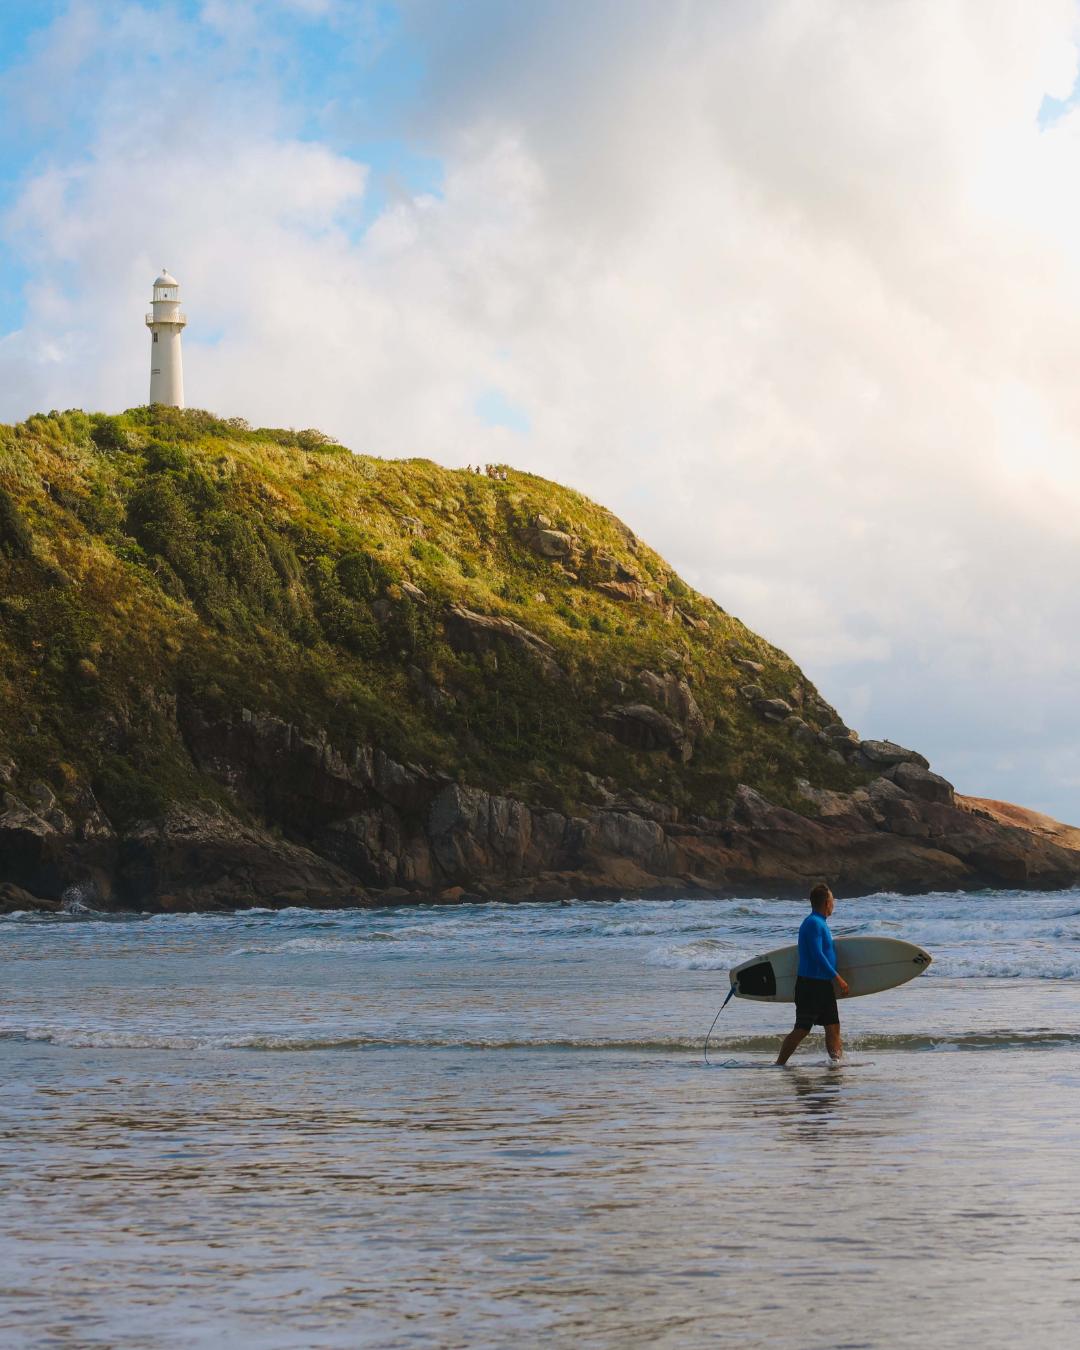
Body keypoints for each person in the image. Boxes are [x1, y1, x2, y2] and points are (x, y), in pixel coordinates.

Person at [775, 882, 850, 1065]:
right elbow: (817, 955)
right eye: (833, 901)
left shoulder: (819, 923)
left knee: (833, 1027)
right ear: (826, 903)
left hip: (822, 986)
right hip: (811, 986)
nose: (834, 904)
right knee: (802, 1029)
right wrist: (838, 978)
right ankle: (779, 1064)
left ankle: (836, 1065)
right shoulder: (813, 923)